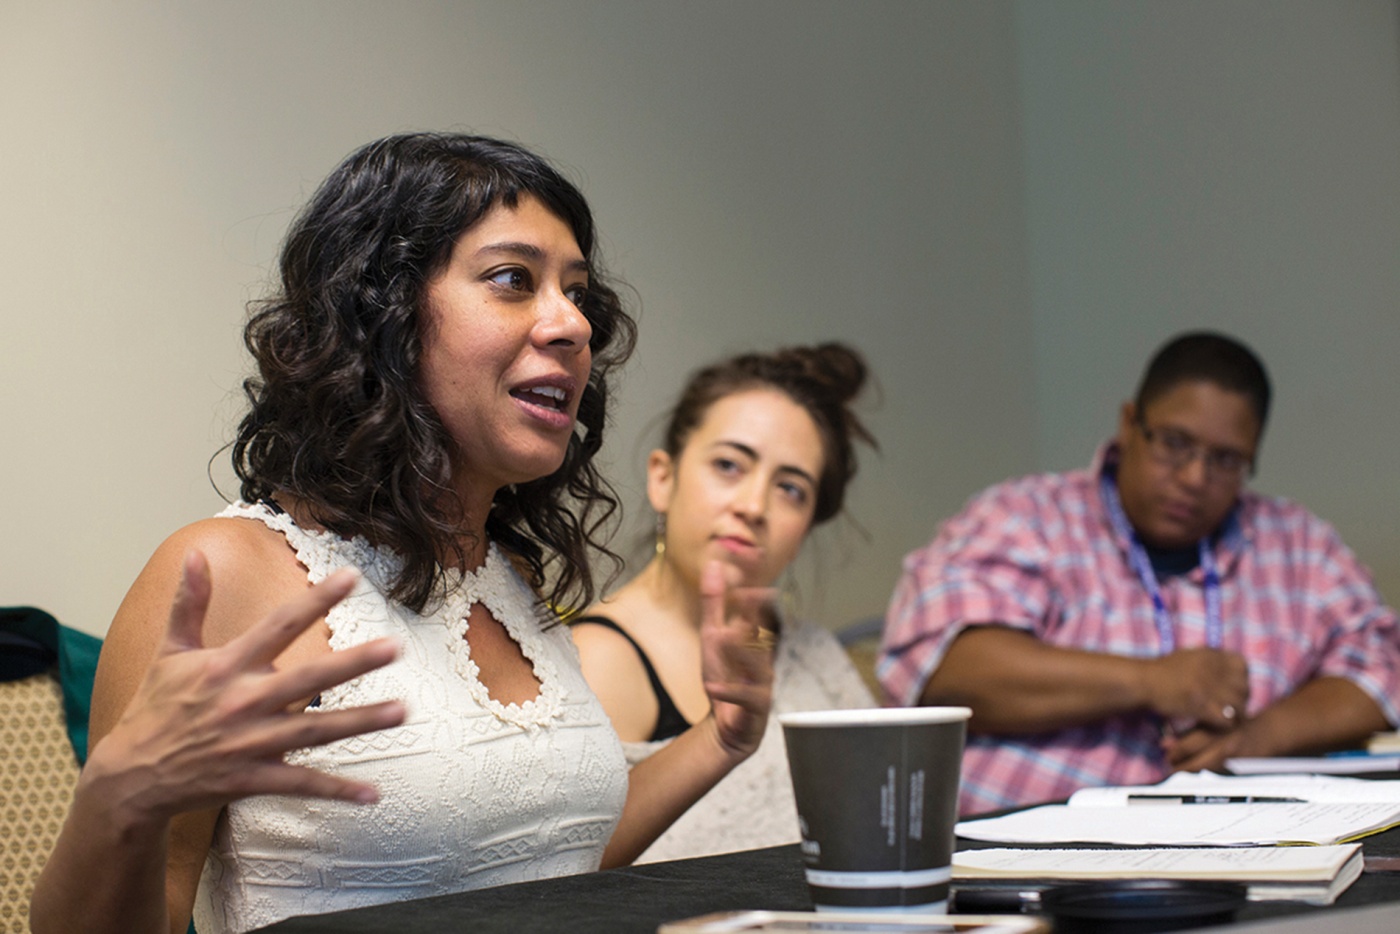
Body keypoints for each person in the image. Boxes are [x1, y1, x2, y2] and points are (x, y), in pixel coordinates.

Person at [31, 133, 776, 934]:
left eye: (577, 294)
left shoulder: (505, 572)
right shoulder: (223, 572)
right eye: (512, 281)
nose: (572, 325)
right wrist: (116, 802)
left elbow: (539, 868)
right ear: (381, 315)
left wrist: (719, 739)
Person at [878, 331, 1400, 815]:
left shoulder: (1300, 547)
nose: (1195, 478)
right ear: (1130, 424)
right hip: (1024, 861)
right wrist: (1149, 681)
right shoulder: (1022, 518)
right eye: (1175, 443)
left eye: (1226, 460)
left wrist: (1256, 739)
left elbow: (1381, 671)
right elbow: (945, 672)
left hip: (1240, 864)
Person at [572, 343, 877, 862]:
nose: (754, 506)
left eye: (791, 488)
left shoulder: (812, 653)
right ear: (663, 478)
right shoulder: (597, 659)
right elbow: (567, 863)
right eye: (730, 465)